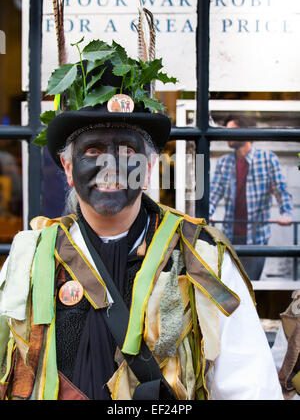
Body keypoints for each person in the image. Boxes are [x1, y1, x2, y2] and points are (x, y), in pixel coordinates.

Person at [0, 40, 283, 401]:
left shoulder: (203, 260)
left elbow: (251, 388)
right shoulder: (28, 259)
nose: (110, 165)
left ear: (148, 169)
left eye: (127, 150)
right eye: (92, 150)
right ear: (69, 169)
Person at [210, 114, 293, 280]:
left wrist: (286, 213)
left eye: (232, 131)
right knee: (229, 287)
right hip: (230, 238)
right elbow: (214, 193)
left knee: (251, 286)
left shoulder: (267, 159)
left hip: (257, 238)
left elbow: (281, 190)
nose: (228, 135)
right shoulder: (224, 162)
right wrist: (207, 213)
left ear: (245, 132)